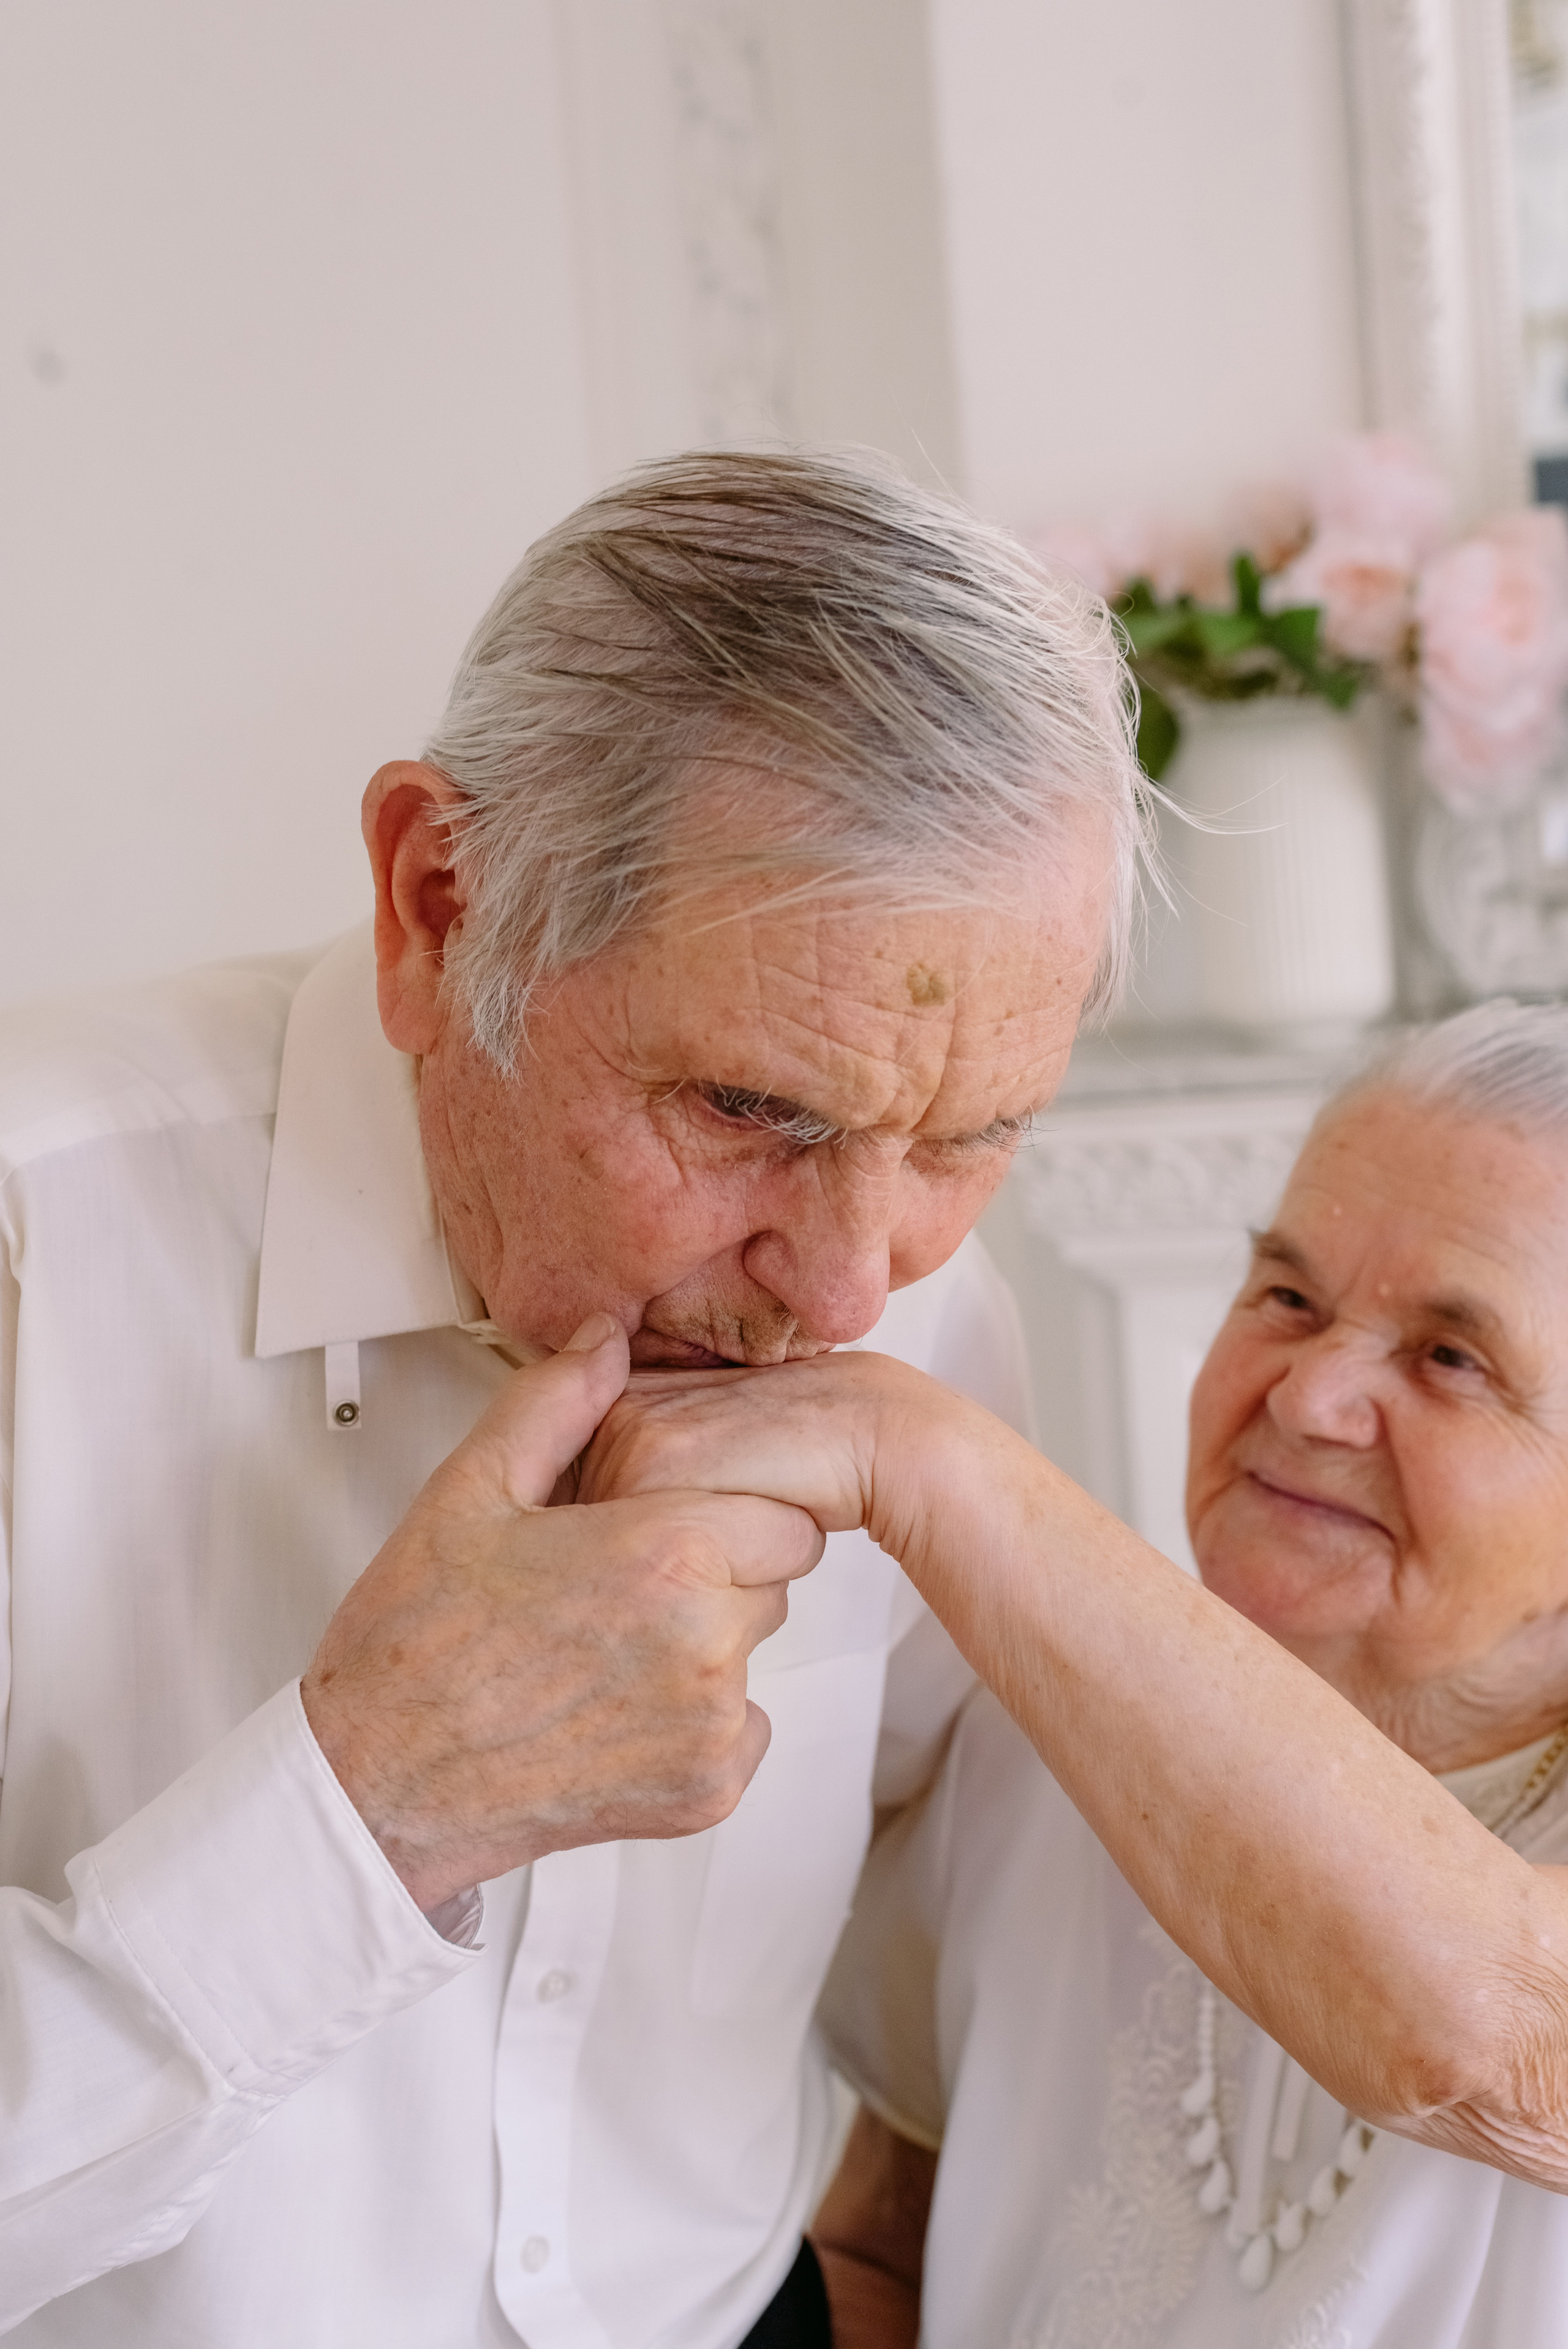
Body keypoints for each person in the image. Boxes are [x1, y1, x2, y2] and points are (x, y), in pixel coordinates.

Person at [0, 450, 1145, 2344]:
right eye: (750, 1114)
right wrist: (375, 1808)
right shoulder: (36, 1255)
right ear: (436, 901)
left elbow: (985, 2002)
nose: (855, 1286)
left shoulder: (935, 1317)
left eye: (971, 1136)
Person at [579, 1000, 1568, 2348]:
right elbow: (882, 2239)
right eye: (1285, 1296)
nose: (1305, 1396)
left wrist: (925, 1455)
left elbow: (1491, 2033)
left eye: (1449, 1358)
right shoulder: (1041, 1734)